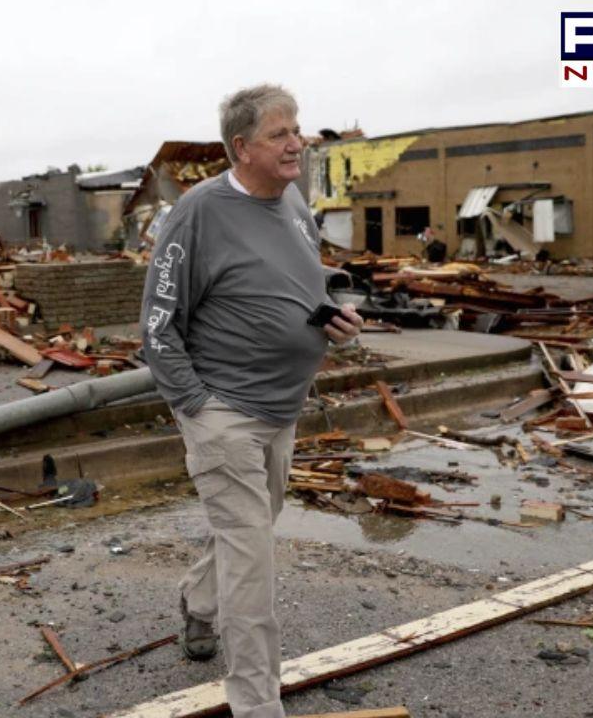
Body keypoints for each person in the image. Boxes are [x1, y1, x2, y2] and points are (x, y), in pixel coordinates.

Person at [139, 84, 363, 718]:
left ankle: (198, 604)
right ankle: (257, 704)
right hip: (224, 414)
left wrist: (331, 321)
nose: (296, 142)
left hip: (281, 407)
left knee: (251, 531)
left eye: (297, 128)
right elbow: (157, 326)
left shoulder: (293, 201)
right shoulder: (197, 214)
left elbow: (294, 278)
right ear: (240, 147)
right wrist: (198, 409)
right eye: (278, 134)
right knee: (253, 564)